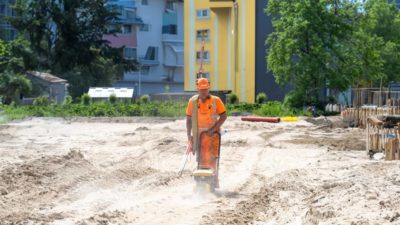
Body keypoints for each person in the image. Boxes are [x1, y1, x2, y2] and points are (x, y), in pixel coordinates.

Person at [186, 77, 227, 187]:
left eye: (205, 90)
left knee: (212, 158)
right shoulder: (192, 102)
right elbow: (188, 120)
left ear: (208, 88)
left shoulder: (216, 100)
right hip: (198, 136)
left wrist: (212, 130)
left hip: (213, 136)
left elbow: (223, 116)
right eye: (201, 90)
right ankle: (201, 181)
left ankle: (213, 182)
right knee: (200, 158)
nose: (203, 92)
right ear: (197, 89)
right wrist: (189, 137)